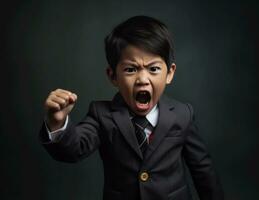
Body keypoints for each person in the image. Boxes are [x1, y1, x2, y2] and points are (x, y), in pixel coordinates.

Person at [39, 15, 224, 200]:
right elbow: (73, 150)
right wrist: (57, 123)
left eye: (153, 69)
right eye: (130, 69)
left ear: (169, 73)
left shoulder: (183, 114)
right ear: (113, 76)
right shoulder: (101, 115)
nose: (142, 80)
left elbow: (202, 170)